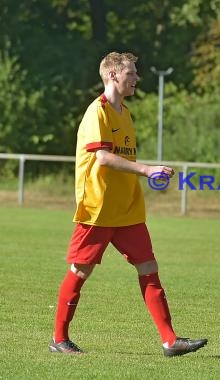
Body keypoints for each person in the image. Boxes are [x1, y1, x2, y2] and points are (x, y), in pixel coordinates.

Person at [49, 52, 207, 356]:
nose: (136, 78)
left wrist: (149, 174)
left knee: (148, 267)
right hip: (98, 209)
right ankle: (59, 338)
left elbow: (122, 159)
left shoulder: (125, 112)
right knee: (80, 271)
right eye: (131, 73)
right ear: (113, 75)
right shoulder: (98, 111)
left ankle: (170, 341)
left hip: (127, 209)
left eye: (135, 73)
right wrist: (147, 170)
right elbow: (103, 158)